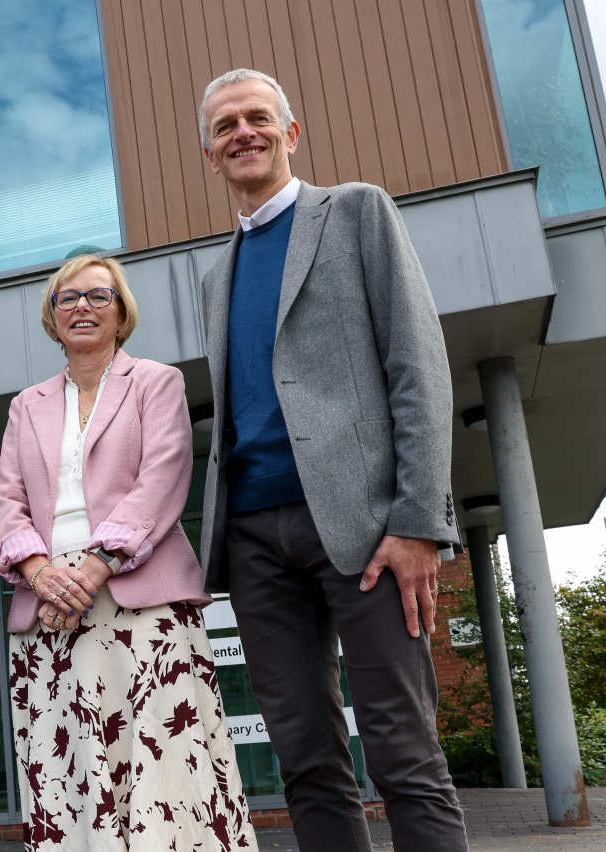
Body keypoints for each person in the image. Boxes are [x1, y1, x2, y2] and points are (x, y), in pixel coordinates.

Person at [195, 68, 468, 850]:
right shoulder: (216, 276)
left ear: (290, 132)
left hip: (368, 527)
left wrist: (418, 521)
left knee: (404, 753)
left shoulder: (355, 211)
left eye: (257, 117)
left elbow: (418, 365)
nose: (243, 133)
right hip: (254, 539)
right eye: (225, 126)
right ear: (211, 154)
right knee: (307, 763)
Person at [0, 254, 256, 851]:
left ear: (121, 311)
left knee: (164, 769)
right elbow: (6, 498)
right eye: (67, 298)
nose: (81, 307)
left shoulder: (156, 382)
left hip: (142, 607)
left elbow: (162, 478)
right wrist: (40, 573)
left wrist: (92, 569)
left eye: (98, 296)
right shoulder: (26, 404)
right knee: (69, 774)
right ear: (52, 316)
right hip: (48, 614)